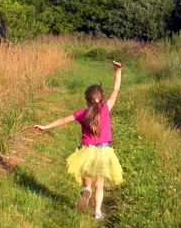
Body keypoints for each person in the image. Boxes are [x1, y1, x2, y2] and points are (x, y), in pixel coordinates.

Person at [33, 60, 124, 219]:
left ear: (86, 100)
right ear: (102, 99)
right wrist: (118, 72)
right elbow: (116, 90)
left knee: (87, 173)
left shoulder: (82, 113)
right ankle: (97, 212)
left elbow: (62, 120)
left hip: (87, 150)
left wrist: (45, 127)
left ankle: (87, 189)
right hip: (104, 151)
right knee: (100, 184)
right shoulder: (106, 108)